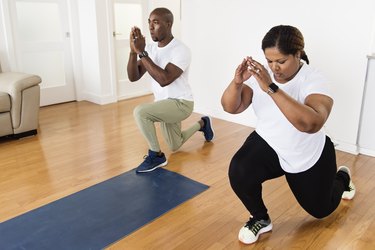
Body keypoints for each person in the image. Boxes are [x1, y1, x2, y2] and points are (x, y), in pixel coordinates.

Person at [221, 25, 355, 245]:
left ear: (298, 54)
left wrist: (271, 88)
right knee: (239, 170)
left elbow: (311, 124)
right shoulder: (262, 74)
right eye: (269, 60)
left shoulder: (314, 79)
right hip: (269, 143)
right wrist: (237, 83)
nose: (274, 67)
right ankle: (260, 218)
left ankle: (342, 178)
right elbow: (230, 107)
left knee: (321, 210)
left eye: (281, 61)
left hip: (306, 151)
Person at [127, 7, 214, 173]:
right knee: (175, 144)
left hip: (181, 103)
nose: (151, 27)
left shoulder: (180, 50)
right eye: (149, 22)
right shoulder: (151, 49)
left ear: (169, 24)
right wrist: (133, 52)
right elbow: (133, 76)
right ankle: (203, 123)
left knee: (140, 112)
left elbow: (164, 80)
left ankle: (156, 155)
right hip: (164, 105)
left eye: (156, 22)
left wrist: (142, 52)